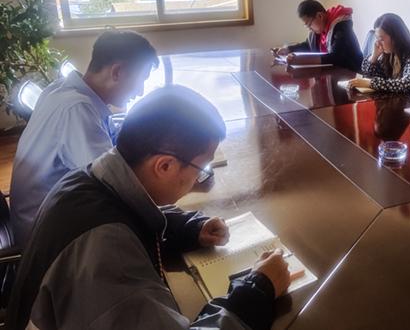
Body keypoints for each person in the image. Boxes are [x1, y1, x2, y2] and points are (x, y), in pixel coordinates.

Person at [8, 85, 291, 330]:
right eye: (201, 168)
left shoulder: (87, 180)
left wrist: (188, 229)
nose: (199, 178)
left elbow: (127, 214)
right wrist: (257, 290)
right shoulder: (107, 253)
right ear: (164, 166)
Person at [10, 29, 158, 246]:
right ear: (117, 72)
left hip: (46, 216)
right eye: (141, 79)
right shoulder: (77, 109)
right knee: (159, 226)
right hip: (46, 238)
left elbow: (111, 144)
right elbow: (113, 183)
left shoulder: (61, 89)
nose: (141, 91)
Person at [348, 13, 410, 93]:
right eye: (377, 38)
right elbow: (369, 74)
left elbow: (405, 85)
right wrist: (374, 57)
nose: (378, 43)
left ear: (395, 37)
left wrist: (371, 83)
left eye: (381, 39)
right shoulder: (391, 53)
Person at [272, 0, 363, 72]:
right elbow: (308, 45)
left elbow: (336, 57)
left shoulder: (341, 26)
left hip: (351, 74)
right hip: (331, 73)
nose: (310, 29)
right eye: (307, 26)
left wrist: (302, 60)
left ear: (320, 16)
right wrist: (288, 49)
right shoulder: (319, 30)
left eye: (309, 24)